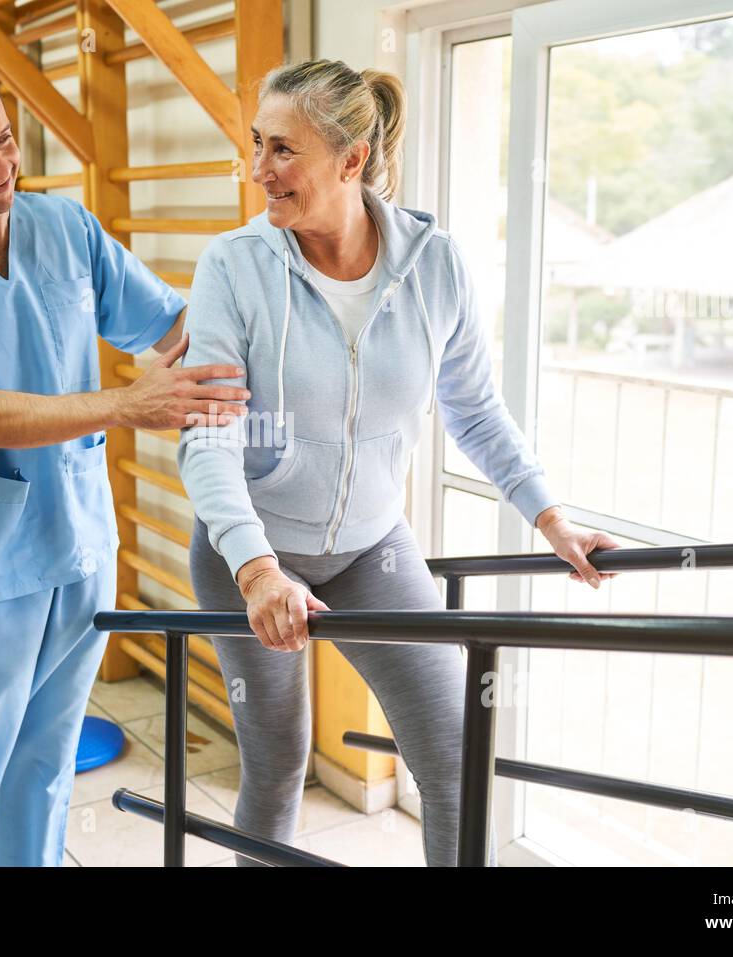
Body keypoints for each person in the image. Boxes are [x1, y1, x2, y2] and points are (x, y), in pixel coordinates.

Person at [177, 58, 619, 866]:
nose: (258, 170)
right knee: (279, 763)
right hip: (248, 552)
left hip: (371, 546)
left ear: (351, 159)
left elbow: (475, 409)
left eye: (283, 150)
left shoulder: (434, 263)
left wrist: (550, 517)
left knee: (454, 755)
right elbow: (207, 436)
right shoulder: (235, 267)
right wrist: (257, 571)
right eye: (257, 144)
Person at [0, 50, 249, 866]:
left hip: (78, 550)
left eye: (5, 139)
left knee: (40, 777)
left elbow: (173, 329)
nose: (0, 167)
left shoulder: (65, 228)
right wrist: (123, 404)